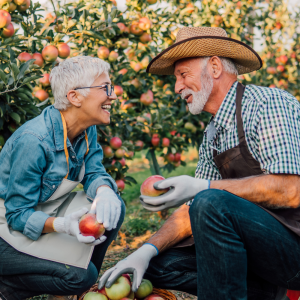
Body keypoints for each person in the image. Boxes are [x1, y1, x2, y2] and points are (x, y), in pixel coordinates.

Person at [98, 27, 300, 300]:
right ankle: (263, 293)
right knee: (156, 267)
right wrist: (146, 251)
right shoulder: (212, 135)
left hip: (293, 250)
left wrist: (202, 187)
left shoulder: (268, 105)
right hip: (259, 251)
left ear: (214, 67)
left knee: (210, 201)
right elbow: (192, 210)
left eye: (183, 75)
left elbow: (292, 190)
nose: (177, 87)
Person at [0, 56, 125, 300]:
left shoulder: (86, 129)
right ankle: (7, 289)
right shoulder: (34, 141)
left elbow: (93, 171)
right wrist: (63, 226)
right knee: (80, 276)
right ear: (74, 97)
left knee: (113, 208)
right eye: (105, 88)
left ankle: (75, 289)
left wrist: (104, 190)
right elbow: (16, 214)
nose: (113, 96)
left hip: (43, 212)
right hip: (7, 228)